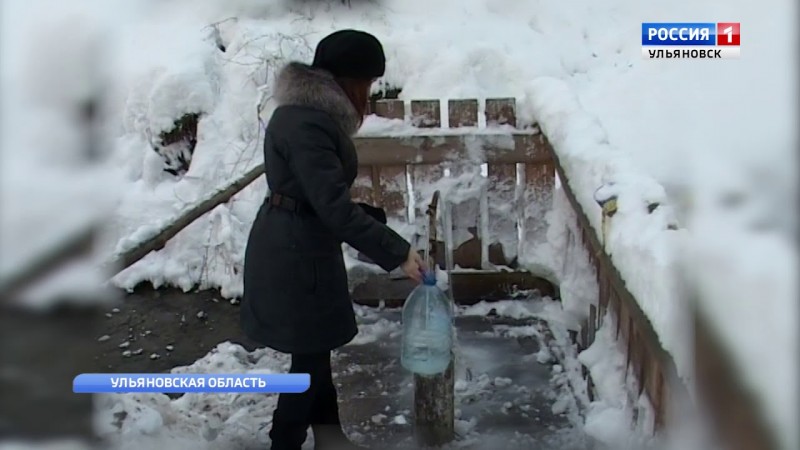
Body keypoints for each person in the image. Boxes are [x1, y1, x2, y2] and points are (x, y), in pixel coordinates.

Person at [241, 29, 426, 450]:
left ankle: (330, 438)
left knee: (315, 351)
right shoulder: (308, 125)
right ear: (350, 80)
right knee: (308, 361)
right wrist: (398, 252)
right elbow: (333, 207)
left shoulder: (305, 115)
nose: (370, 93)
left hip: (298, 242)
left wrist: (369, 222)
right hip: (295, 256)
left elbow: (317, 197)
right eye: (369, 83)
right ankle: (283, 443)